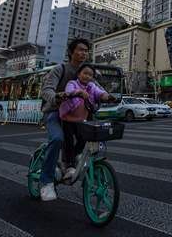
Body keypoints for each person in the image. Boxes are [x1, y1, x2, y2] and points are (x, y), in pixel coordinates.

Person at [38, 38, 90, 202]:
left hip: (76, 115)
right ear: (71, 52)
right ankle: (46, 182)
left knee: (90, 136)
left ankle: (69, 164)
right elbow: (46, 90)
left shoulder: (87, 73)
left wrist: (108, 97)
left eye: (86, 51)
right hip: (54, 112)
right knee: (57, 139)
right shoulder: (60, 69)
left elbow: (97, 89)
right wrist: (57, 97)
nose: (84, 53)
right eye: (80, 49)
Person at [60, 63, 115, 179]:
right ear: (79, 74)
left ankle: (73, 157)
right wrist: (78, 92)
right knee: (68, 141)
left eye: (90, 75)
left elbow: (99, 93)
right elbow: (69, 92)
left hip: (81, 120)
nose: (87, 76)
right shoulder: (72, 83)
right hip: (68, 119)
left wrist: (107, 96)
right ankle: (69, 165)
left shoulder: (91, 86)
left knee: (83, 140)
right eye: (85, 73)